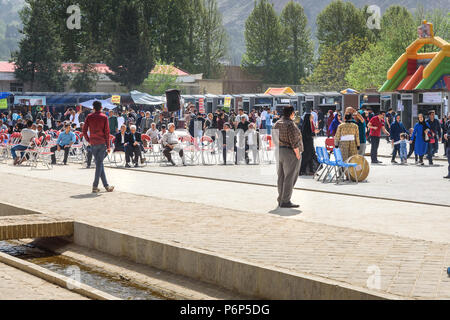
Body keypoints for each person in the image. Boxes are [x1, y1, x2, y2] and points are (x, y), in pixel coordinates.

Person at [273, 106, 303, 209]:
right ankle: (286, 200)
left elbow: (274, 138)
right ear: (292, 113)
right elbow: (294, 140)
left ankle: (281, 199)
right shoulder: (290, 124)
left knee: (281, 176)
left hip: (279, 151)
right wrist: (298, 153)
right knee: (290, 177)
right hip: (290, 152)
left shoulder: (277, 123)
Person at [83, 101, 114, 193]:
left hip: (93, 143)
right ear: (101, 108)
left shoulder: (89, 116)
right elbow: (107, 133)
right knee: (99, 164)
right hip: (102, 143)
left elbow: (84, 130)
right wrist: (108, 146)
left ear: (93, 107)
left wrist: (89, 140)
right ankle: (95, 186)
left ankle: (106, 186)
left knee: (99, 164)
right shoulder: (104, 117)